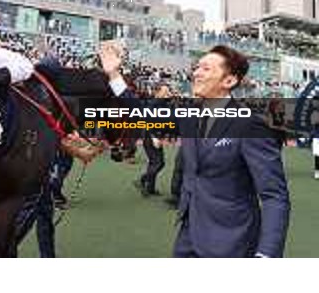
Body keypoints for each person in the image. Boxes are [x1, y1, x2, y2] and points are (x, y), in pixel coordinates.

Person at [99, 43, 290, 258]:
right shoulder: (188, 114)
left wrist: (267, 254)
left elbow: (274, 195)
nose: (196, 73)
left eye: (206, 69)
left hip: (232, 241)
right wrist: (114, 74)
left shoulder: (250, 125)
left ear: (229, 80)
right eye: (197, 67)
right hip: (189, 236)